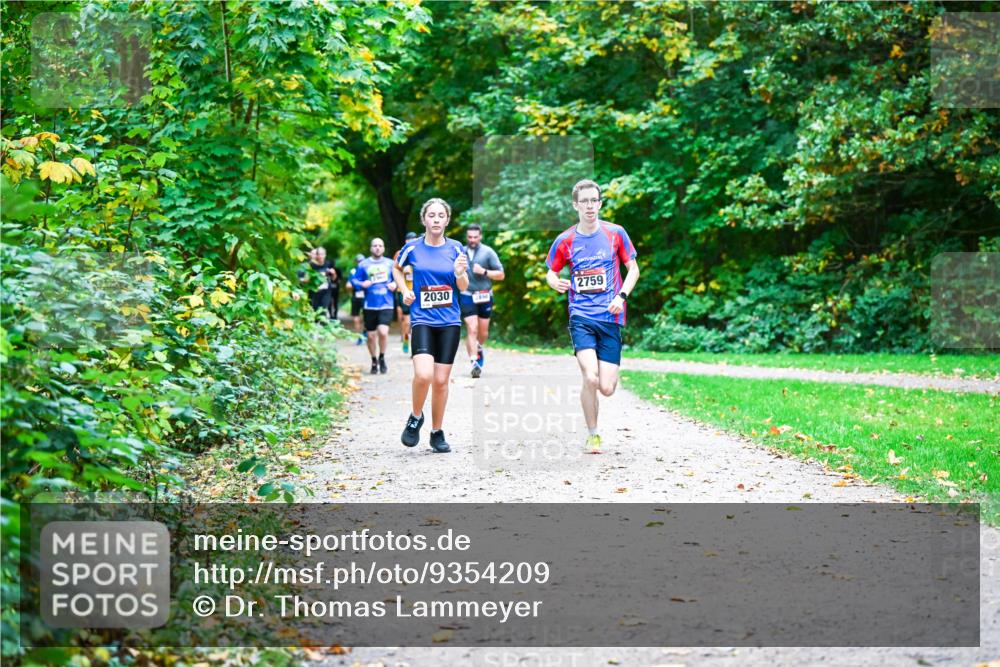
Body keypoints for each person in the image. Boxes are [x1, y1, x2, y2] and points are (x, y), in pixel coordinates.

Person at [545, 179, 639, 451]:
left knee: (607, 387)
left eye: (594, 200)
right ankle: (593, 433)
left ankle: (594, 404)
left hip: (610, 318)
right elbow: (551, 271)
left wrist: (621, 297)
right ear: (576, 204)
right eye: (584, 201)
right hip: (581, 317)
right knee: (591, 377)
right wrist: (555, 282)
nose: (589, 206)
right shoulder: (565, 240)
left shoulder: (616, 233)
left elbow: (633, 270)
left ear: (600, 203)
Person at [393, 198, 468, 453]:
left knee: (440, 381)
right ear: (424, 219)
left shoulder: (457, 249)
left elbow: (464, 287)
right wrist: (404, 290)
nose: (436, 220)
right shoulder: (412, 248)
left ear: (447, 220)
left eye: (441, 216)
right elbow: (396, 269)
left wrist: (460, 273)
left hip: (449, 322)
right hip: (423, 319)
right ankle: (415, 417)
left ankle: (437, 432)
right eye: (431, 215)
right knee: (423, 375)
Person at [459, 224, 505, 378]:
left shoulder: (488, 252)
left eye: (475, 237)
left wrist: (484, 271)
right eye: (470, 237)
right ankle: (474, 362)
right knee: (472, 328)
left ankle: (478, 346)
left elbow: (501, 275)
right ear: (467, 237)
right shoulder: (461, 252)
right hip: (467, 294)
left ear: (480, 236)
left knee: (483, 332)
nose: (472, 240)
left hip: (485, 295)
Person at [351, 239, 397, 374]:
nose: (377, 248)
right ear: (371, 248)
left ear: (383, 248)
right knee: (371, 336)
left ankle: (382, 357)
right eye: (375, 246)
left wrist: (395, 284)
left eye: (380, 245)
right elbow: (354, 280)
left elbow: (399, 277)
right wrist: (361, 284)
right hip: (369, 305)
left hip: (386, 303)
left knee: (383, 332)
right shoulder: (364, 264)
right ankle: (374, 360)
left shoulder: (390, 263)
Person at [394, 231, 418, 355]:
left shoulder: (421, 253)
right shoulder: (400, 253)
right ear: (405, 242)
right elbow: (395, 269)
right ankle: (405, 338)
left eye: (414, 240)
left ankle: (415, 347)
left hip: (418, 292)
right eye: (409, 241)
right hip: (404, 291)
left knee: (416, 320)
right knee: (407, 321)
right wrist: (404, 270)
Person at [297, 247, 334, 323]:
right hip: (313, 292)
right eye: (316, 254)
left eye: (321, 254)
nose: (318, 256)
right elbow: (301, 279)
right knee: (314, 310)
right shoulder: (308, 266)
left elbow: (333, 277)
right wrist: (306, 279)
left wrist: (333, 274)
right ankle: (314, 326)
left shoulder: (328, 263)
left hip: (326, 291)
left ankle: (322, 327)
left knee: (323, 309)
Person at [346, 254, 366, 345]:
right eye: (359, 261)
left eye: (361, 261)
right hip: (356, 296)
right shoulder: (353, 271)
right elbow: (348, 285)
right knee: (356, 316)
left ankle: (364, 334)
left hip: (365, 295)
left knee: (366, 316)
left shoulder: (366, 270)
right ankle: (359, 336)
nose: (360, 263)